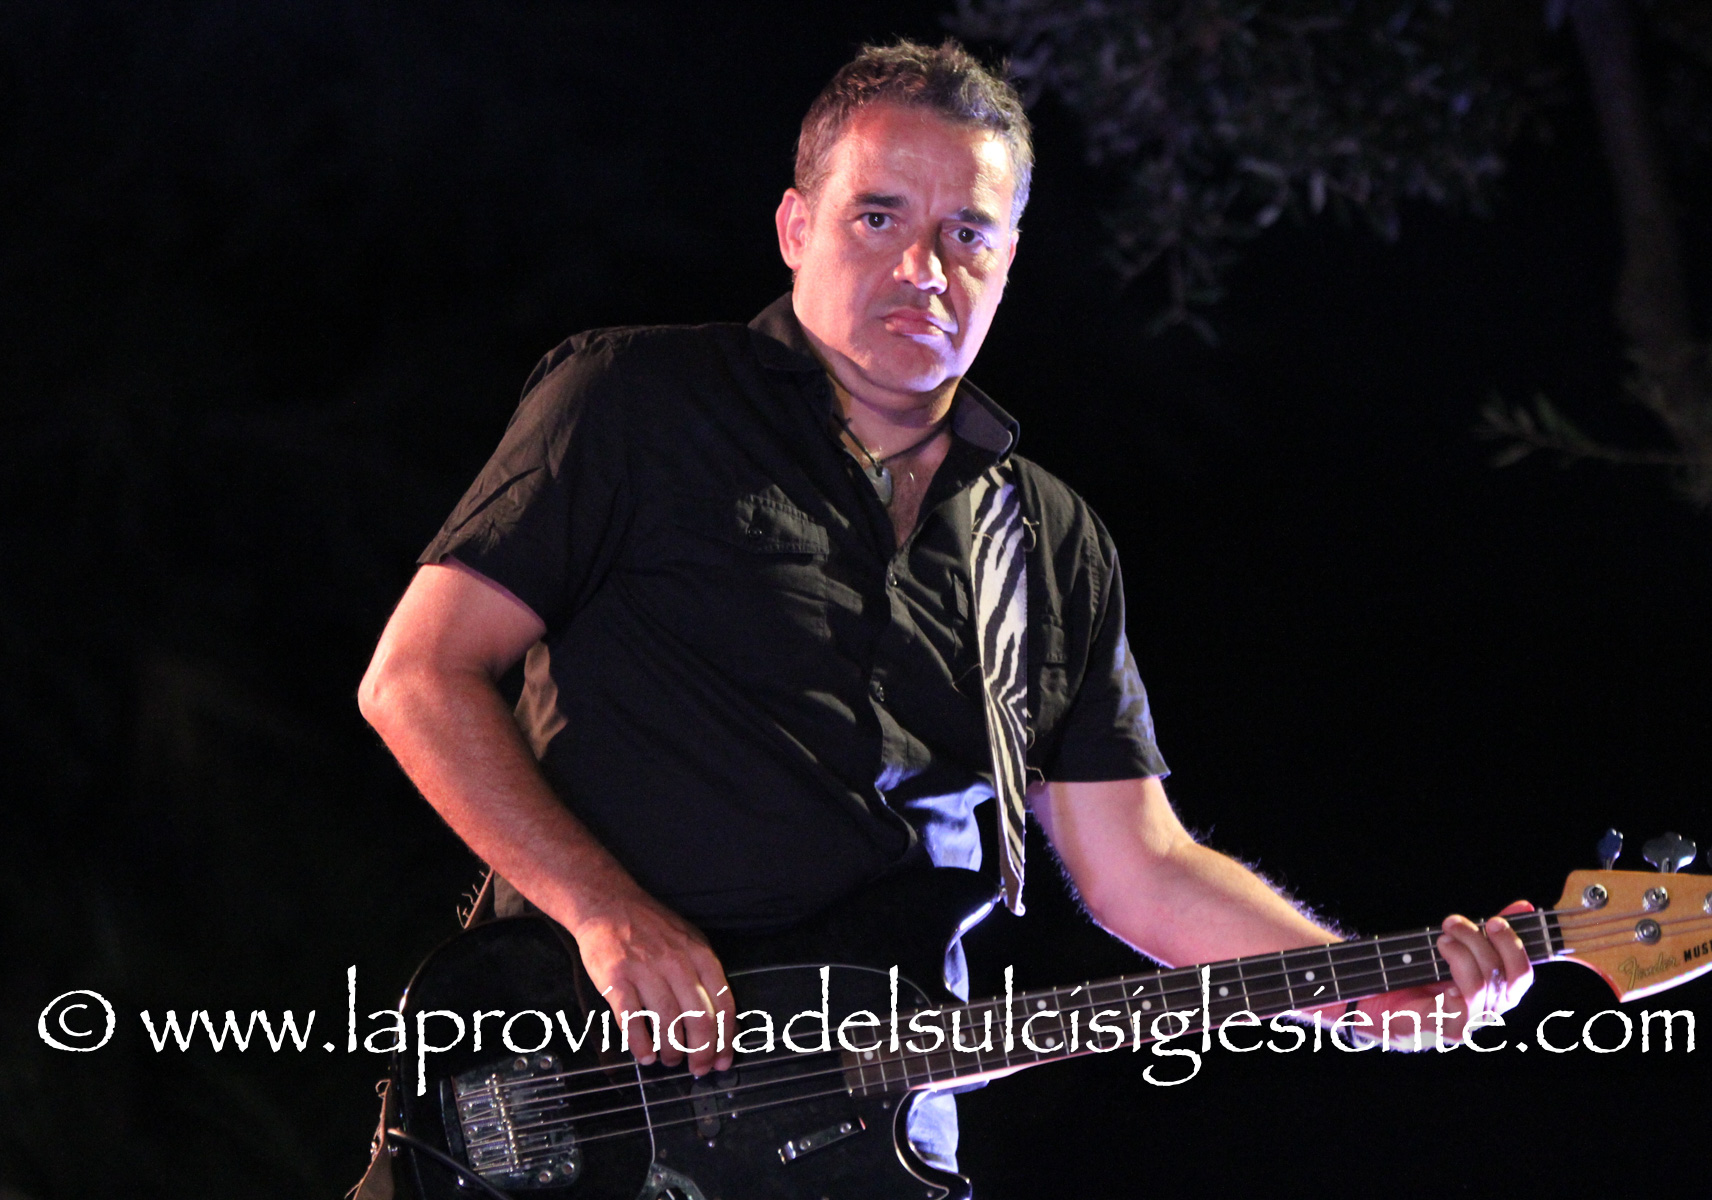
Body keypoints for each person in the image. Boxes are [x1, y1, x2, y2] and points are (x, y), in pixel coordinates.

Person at [357, 39, 1532, 1178]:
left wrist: (1364, 987)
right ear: (796, 228)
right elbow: (416, 678)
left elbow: (1141, 868)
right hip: (580, 1095)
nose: (924, 266)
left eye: (966, 233)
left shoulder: (1052, 543)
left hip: (875, 1145)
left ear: (1007, 262)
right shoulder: (633, 403)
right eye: (879, 216)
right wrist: (605, 911)